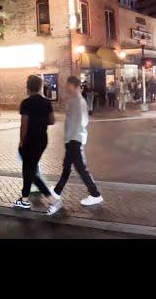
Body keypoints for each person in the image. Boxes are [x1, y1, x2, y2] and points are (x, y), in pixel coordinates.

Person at [51, 76, 103, 211]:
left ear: (74, 86)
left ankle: (95, 194)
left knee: (80, 168)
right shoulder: (75, 100)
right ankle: (57, 191)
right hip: (73, 139)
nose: (65, 87)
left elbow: (81, 122)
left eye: (67, 85)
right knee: (67, 167)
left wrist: (71, 138)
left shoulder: (78, 101)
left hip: (74, 140)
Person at [13, 75, 60, 213]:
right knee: (28, 169)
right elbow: (52, 121)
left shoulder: (26, 103)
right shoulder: (46, 102)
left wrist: (22, 141)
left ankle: (53, 200)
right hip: (42, 140)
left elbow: (24, 124)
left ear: (28, 87)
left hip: (30, 141)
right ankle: (25, 199)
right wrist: (41, 119)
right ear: (40, 87)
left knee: (31, 172)